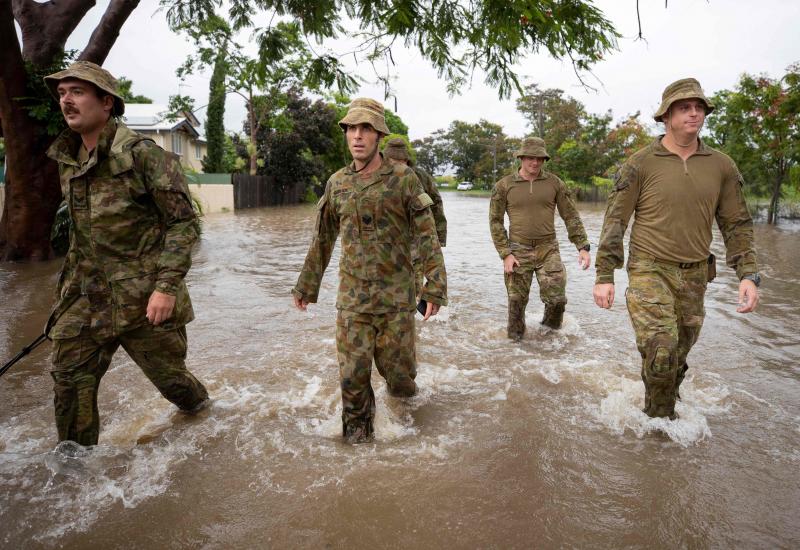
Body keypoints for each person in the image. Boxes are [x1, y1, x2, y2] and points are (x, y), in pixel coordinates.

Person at [43, 61, 209, 446]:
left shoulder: (144, 156)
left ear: (107, 103)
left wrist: (166, 288)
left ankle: (205, 414)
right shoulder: (68, 161)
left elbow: (183, 224)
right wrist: (63, 302)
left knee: (173, 384)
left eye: (77, 92)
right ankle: (75, 472)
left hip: (144, 300)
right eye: (62, 93)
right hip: (86, 299)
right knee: (68, 380)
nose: (66, 100)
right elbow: (79, 240)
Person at [593, 77, 760, 420]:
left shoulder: (721, 165)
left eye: (699, 107)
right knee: (662, 350)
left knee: (678, 357)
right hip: (649, 269)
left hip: (696, 273)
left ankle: (662, 398)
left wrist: (748, 275)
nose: (694, 113)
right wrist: (604, 273)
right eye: (684, 107)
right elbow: (615, 222)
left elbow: (736, 224)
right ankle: (660, 427)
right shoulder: (641, 163)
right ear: (666, 116)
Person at [292, 98, 447, 444]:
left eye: (366, 129)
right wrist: (307, 284)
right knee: (352, 380)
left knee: (401, 380)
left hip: (396, 302)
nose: (357, 136)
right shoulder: (337, 183)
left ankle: (409, 427)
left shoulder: (404, 180)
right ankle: (358, 453)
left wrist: (434, 287)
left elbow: (427, 237)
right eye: (351, 128)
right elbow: (323, 238)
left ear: (378, 135)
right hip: (353, 302)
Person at [489, 137, 591, 339]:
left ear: (544, 160)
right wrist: (505, 254)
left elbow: (570, 215)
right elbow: (495, 222)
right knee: (516, 302)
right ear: (521, 158)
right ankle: (516, 348)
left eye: (539, 159)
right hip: (517, 250)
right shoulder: (504, 186)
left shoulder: (555, 184)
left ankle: (549, 338)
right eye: (530, 158)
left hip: (548, 249)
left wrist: (582, 246)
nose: (534, 163)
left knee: (557, 300)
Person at [383, 137, 447, 299]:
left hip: (415, 241)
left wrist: (439, 239)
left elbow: (436, 204)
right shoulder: (375, 176)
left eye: (401, 161)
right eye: (393, 161)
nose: (397, 165)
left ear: (407, 160)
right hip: (384, 244)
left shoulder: (421, 177)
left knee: (413, 287)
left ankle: (414, 316)